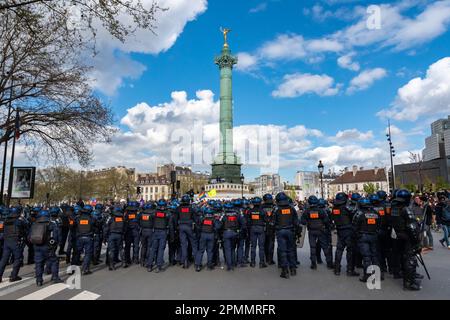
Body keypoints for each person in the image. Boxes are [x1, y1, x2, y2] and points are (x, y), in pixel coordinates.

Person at [390, 189, 422, 290]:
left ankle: (409, 278)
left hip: (399, 235)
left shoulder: (394, 208)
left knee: (404, 258)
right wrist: (417, 241)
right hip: (407, 236)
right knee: (410, 259)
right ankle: (409, 283)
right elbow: (411, 227)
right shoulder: (405, 209)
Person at [29, 209, 62, 286]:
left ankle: (39, 280)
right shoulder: (51, 224)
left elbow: (29, 237)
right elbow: (56, 236)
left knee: (38, 263)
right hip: (48, 247)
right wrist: (55, 245)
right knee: (54, 261)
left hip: (37, 247)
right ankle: (55, 277)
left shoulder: (34, 224)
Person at [353, 196, 381, 282]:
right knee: (375, 256)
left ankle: (367, 276)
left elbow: (354, 226)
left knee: (367, 257)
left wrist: (357, 235)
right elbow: (379, 224)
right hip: (374, 236)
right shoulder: (376, 213)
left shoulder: (359, 213)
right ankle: (377, 275)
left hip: (363, 236)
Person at [330, 192, 359, 276]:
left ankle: (337, 269)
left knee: (339, 250)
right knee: (350, 251)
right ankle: (350, 270)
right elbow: (353, 216)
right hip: (348, 230)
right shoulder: (346, 208)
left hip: (340, 230)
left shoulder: (334, 208)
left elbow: (332, 218)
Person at [301, 195, 333, 270]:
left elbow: (302, 221)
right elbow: (326, 220)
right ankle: (329, 263)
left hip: (311, 231)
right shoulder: (321, 210)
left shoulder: (307, 211)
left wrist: (308, 222)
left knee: (313, 247)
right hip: (321, 230)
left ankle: (313, 264)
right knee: (325, 247)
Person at [274, 192, 299, 278]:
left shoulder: (277, 210)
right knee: (291, 250)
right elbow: (296, 222)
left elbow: (273, 222)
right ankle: (293, 269)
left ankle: (285, 270)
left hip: (280, 231)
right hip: (290, 231)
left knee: (283, 251)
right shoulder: (292, 209)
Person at [0, 207, 28, 283]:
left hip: (6, 241)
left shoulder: (6, 220)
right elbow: (26, 228)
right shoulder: (20, 221)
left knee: (4, 259)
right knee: (18, 258)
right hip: (15, 241)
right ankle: (13, 276)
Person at [148, 199, 172, 273]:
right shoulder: (168, 213)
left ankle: (149, 265)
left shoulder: (154, 212)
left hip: (155, 231)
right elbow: (170, 224)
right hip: (163, 232)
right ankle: (159, 266)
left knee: (153, 249)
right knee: (161, 249)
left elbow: (150, 219)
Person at [175, 195, 198, 269]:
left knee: (183, 245)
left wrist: (177, 227)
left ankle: (185, 262)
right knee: (193, 244)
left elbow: (175, 219)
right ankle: (196, 263)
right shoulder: (191, 208)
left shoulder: (178, 208)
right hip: (189, 227)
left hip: (181, 227)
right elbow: (196, 219)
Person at [220, 202, 245, 271]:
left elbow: (219, 225)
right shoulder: (237, 214)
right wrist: (239, 230)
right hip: (235, 233)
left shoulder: (223, 215)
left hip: (226, 233)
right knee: (232, 249)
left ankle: (229, 266)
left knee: (228, 250)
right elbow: (243, 223)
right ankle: (233, 263)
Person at [195, 206, 221, 271]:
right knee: (210, 251)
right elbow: (218, 227)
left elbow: (198, 227)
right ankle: (209, 266)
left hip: (203, 235)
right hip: (211, 235)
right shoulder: (214, 219)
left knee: (201, 250)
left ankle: (198, 266)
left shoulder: (202, 218)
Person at [73, 205, 95, 275]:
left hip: (79, 237)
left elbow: (73, 226)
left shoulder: (77, 218)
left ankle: (73, 269)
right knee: (87, 254)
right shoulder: (91, 218)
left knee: (77, 253)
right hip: (88, 237)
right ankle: (85, 269)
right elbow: (95, 225)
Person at [104, 206, 126, 271]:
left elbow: (106, 228)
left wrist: (104, 237)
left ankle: (111, 265)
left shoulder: (111, 218)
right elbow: (125, 228)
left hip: (112, 235)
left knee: (111, 250)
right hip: (119, 235)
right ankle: (123, 262)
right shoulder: (122, 218)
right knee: (121, 249)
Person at [248, 197, 267, 268]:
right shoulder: (262, 211)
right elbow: (266, 220)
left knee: (253, 246)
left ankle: (252, 263)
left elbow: (248, 220)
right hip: (261, 228)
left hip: (253, 228)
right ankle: (261, 263)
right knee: (261, 247)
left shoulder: (250, 211)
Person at [124, 201, 140, 266]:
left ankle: (127, 259)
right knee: (136, 245)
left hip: (128, 231)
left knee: (127, 246)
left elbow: (124, 221)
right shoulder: (137, 213)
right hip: (136, 230)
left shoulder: (126, 213)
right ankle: (135, 259)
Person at [262, 194, 276, 265]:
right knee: (271, 244)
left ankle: (266, 258)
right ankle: (270, 259)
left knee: (265, 244)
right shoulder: (274, 207)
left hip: (264, 227)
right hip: (272, 228)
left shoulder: (261, 207)